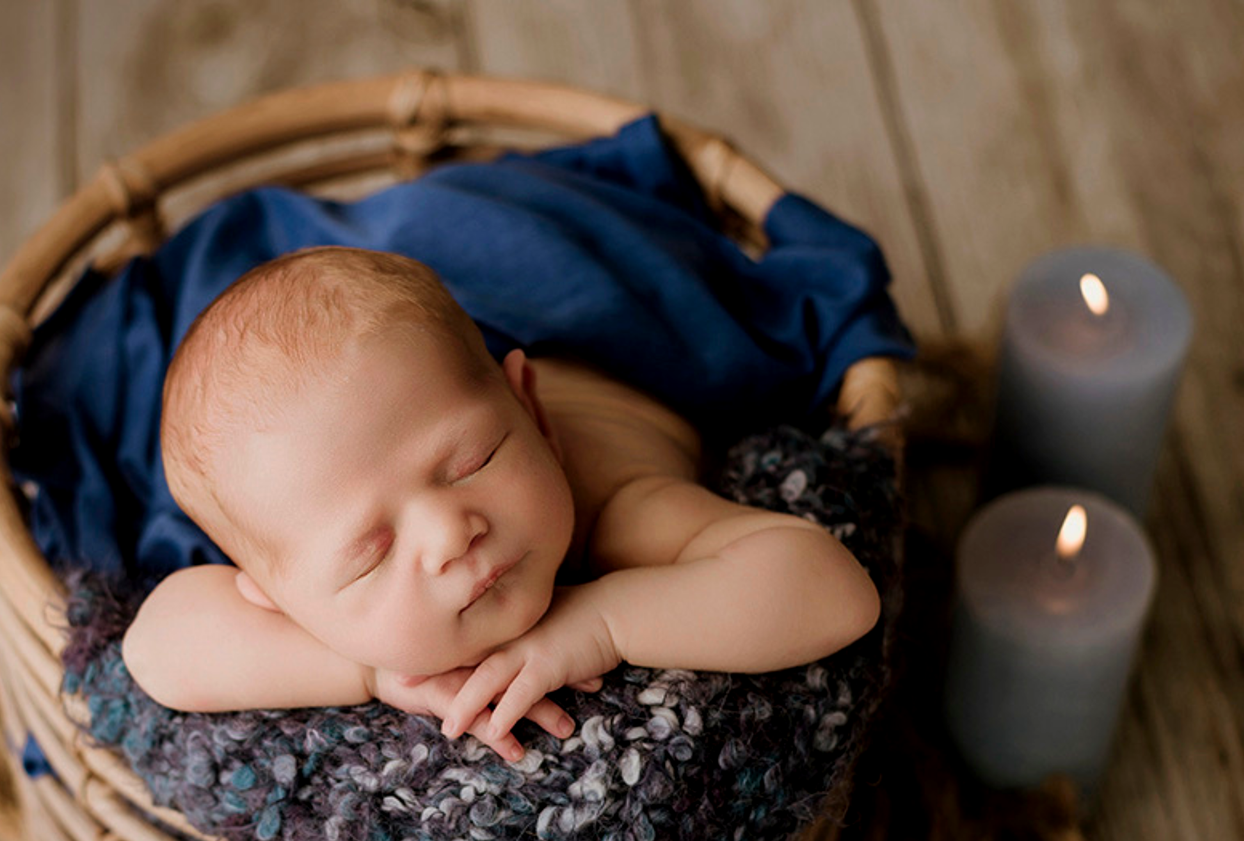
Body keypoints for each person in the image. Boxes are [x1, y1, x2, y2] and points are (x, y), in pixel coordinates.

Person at [121, 246, 883, 763]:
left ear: (533, 414)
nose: (450, 532)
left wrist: (604, 622)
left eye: (473, 461)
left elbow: (834, 591)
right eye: (372, 552)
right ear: (280, 598)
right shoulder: (313, 577)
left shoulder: (617, 510)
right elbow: (153, 647)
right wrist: (365, 671)